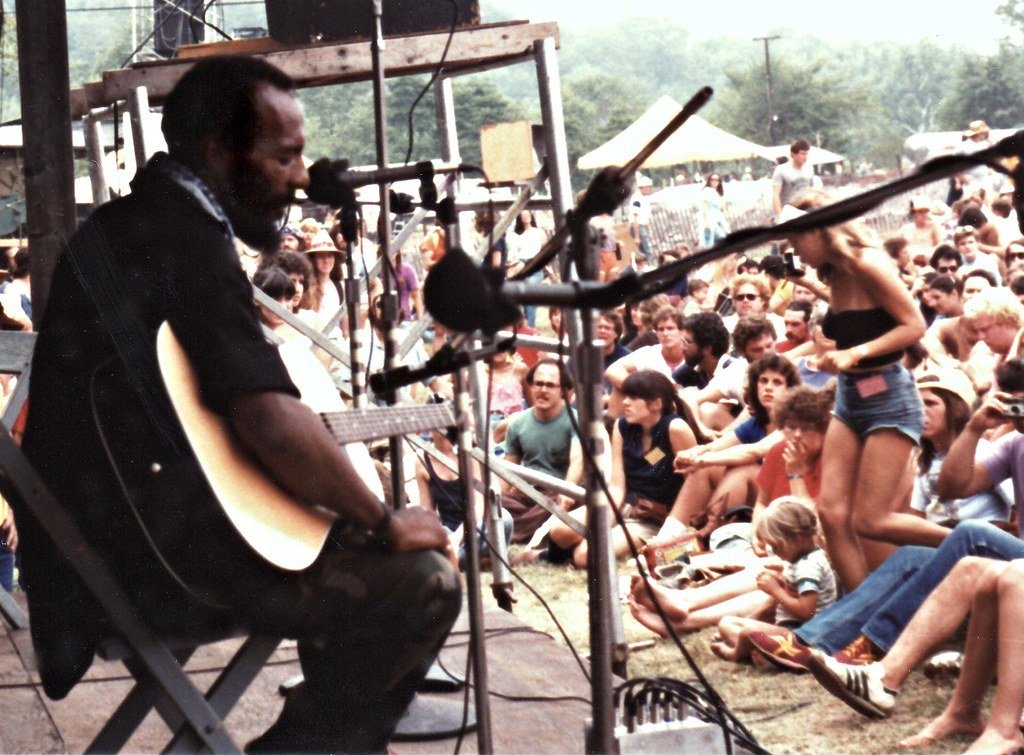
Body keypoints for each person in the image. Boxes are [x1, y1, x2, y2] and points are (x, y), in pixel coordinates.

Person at [17, 57, 460, 752]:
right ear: (220, 151)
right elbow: (266, 418)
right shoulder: (183, 236)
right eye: (284, 156)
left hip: (100, 553)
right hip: (144, 570)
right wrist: (382, 517)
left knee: (334, 539)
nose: (301, 176)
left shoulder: (137, 222)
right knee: (418, 579)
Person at [786, 190, 945, 591]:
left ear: (819, 231)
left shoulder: (868, 262)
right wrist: (835, 357)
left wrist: (855, 352)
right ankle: (860, 614)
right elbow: (863, 317)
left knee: (870, 520)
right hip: (852, 397)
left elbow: (914, 325)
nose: (793, 250)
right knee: (831, 513)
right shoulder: (836, 272)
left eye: (795, 241)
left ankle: (986, 545)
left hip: (890, 397)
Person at [547, 370, 696, 567]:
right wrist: (606, 517)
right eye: (626, 396)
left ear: (657, 404)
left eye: (633, 398)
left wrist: (668, 514)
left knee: (585, 556)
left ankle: (571, 553)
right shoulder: (622, 426)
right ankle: (552, 554)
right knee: (560, 530)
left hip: (655, 519)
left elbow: (695, 486)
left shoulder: (675, 429)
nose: (625, 402)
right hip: (624, 504)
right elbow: (617, 485)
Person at [709, 497, 836, 664]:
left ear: (797, 539)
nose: (776, 553)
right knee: (728, 623)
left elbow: (808, 612)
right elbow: (769, 608)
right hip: (789, 627)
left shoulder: (808, 567)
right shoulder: (798, 561)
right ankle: (766, 652)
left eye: (777, 547)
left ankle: (738, 654)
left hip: (804, 634)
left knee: (746, 632)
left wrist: (776, 590)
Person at [772, 140, 820, 218]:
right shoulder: (781, 170)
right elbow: (776, 195)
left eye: (807, 153)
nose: (805, 157)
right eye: (803, 154)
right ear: (793, 154)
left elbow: (812, 190)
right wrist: (779, 216)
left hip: (806, 210)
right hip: (790, 211)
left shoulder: (809, 168)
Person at [700, 174, 729, 248]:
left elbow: (722, 206)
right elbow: (704, 206)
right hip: (710, 217)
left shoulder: (717, 192)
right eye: (712, 179)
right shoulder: (707, 190)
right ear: (709, 181)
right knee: (709, 240)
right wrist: (706, 222)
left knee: (722, 235)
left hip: (718, 217)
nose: (715, 182)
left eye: (717, 180)